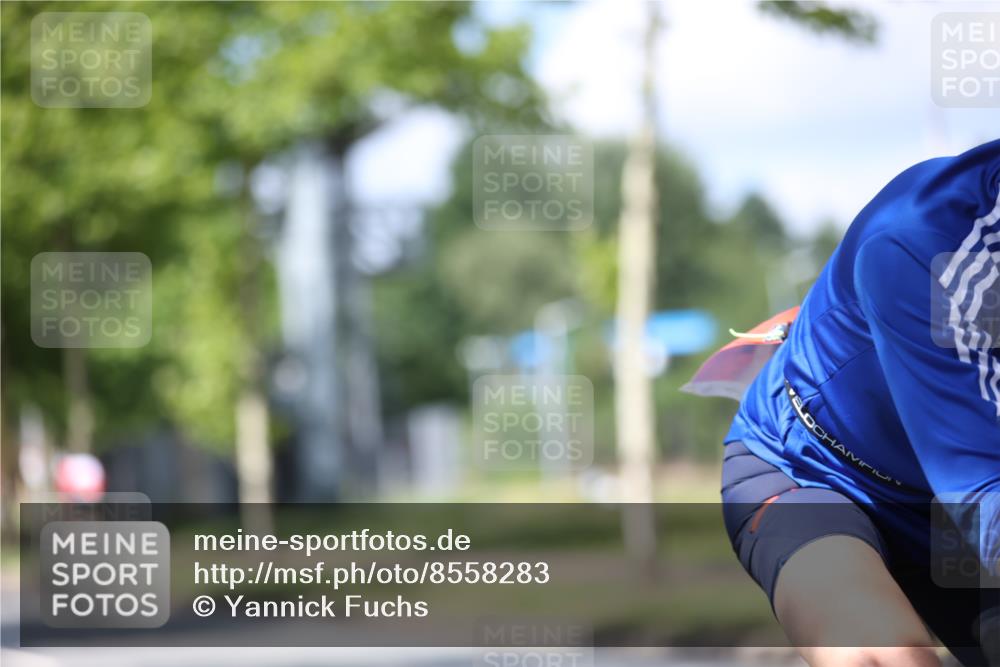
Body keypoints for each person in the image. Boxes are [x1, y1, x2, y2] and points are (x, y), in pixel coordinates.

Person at [720, 139, 1000, 667]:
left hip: (955, 509)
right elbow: (981, 493)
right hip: (815, 475)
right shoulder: (921, 238)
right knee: (882, 656)